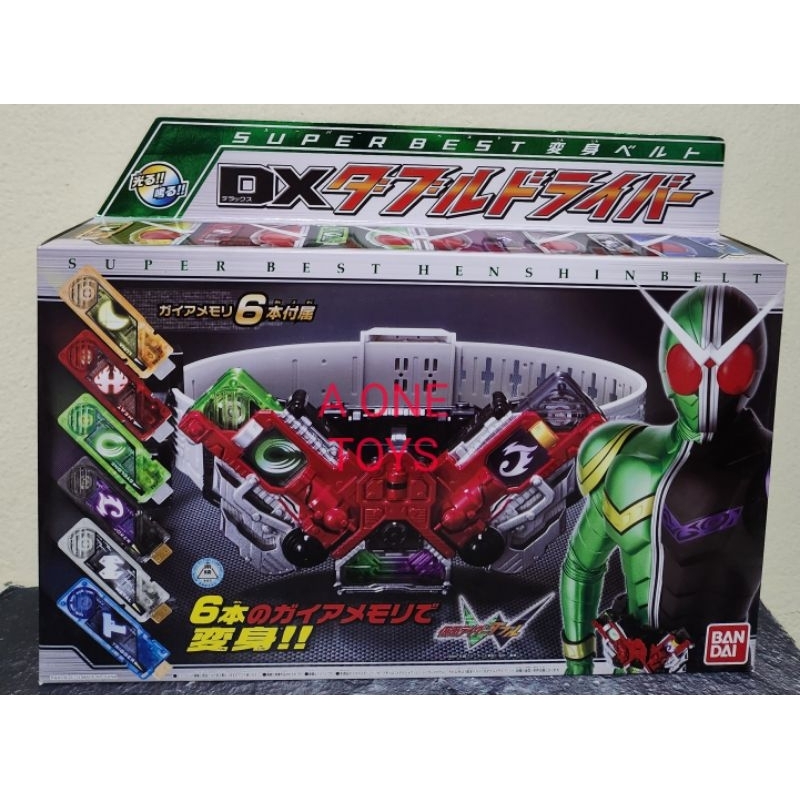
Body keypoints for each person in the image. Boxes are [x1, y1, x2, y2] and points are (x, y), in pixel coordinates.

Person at [560, 285, 777, 674]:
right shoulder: (622, 451)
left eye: (728, 367)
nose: (706, 385)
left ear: (752, 369)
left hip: (718, 681)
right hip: (629, 671)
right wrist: (577, 665)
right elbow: (579, 566)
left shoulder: (768, 463)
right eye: (690, 366)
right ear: (668, 365)